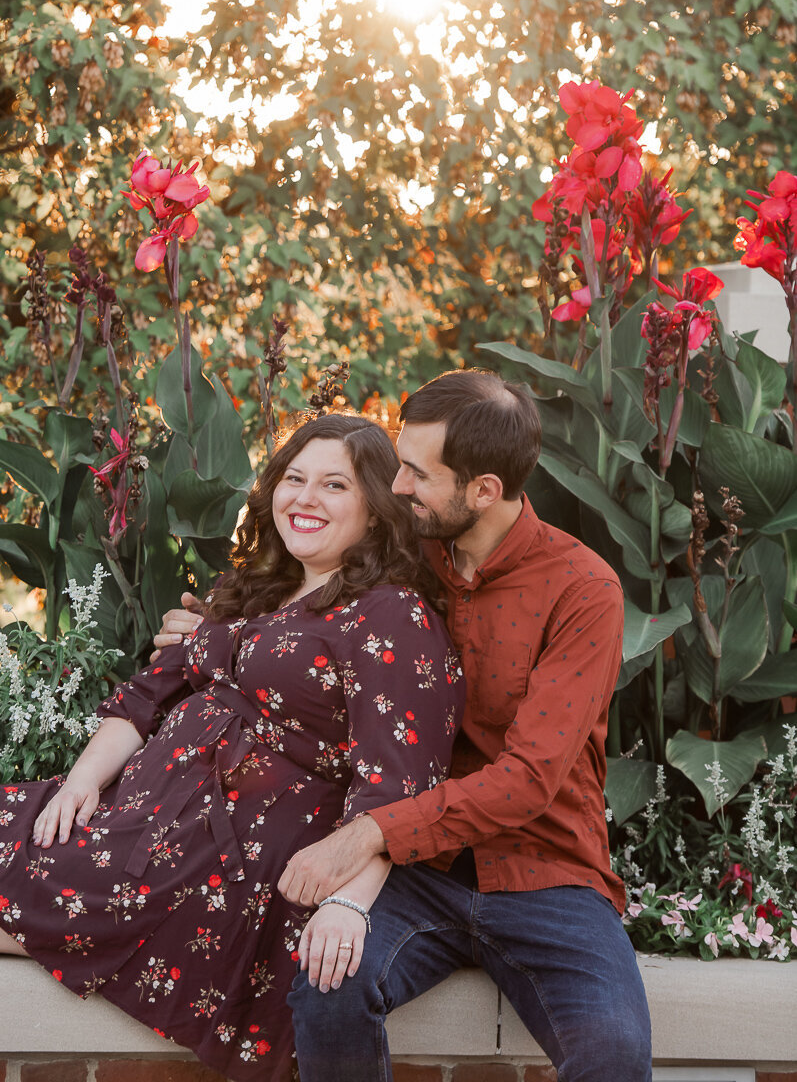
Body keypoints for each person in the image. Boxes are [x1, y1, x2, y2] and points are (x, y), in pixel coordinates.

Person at [0, 413, 463, 1082]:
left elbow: (398, 789)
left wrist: (348, 903)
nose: (305, 498)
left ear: (377, 511)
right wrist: (81, 781)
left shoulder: (390, 616)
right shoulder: (257, 589)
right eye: (294, 478)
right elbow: (145, 696)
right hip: (136, 812)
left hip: (212, 865)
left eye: (334, 486)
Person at [158, 371, 653, 1082]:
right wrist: (219, 634)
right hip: (418, 876)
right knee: (327, 986)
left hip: (547, 876)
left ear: (482, 490)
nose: (396, 487)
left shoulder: (582, 590)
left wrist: (366, 834)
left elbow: (527, 780)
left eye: (417, 473)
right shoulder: (401, 555)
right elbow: (301, 615)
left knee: (612, 1053)